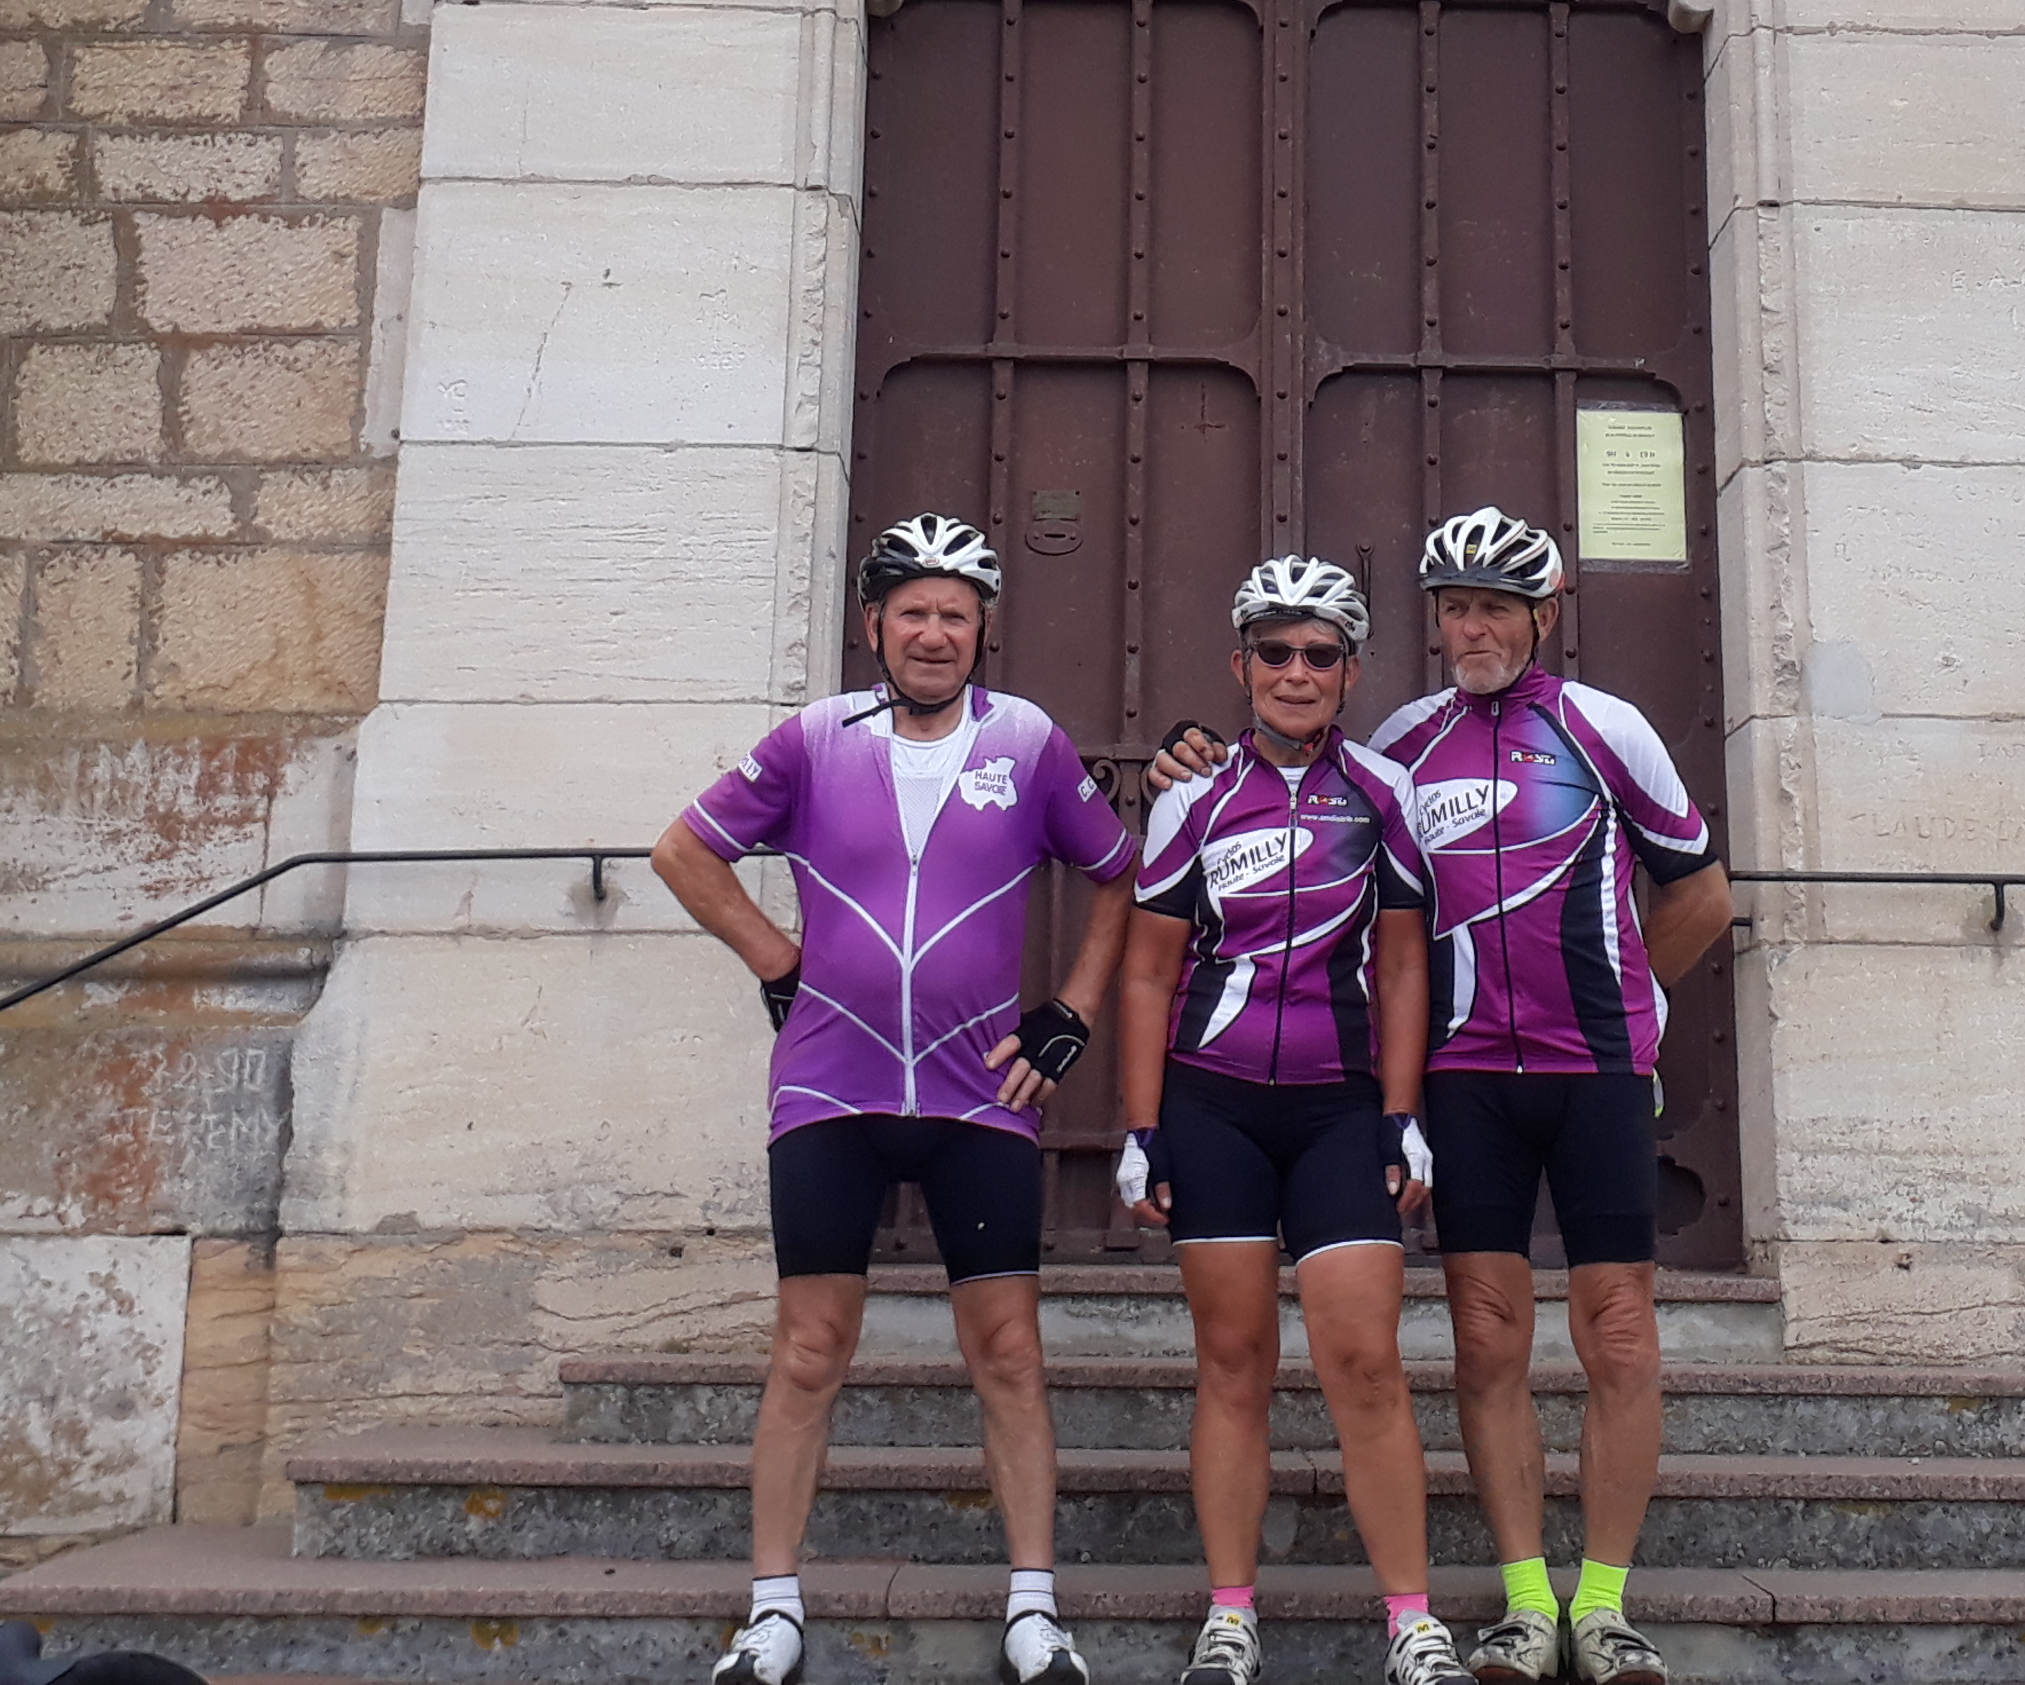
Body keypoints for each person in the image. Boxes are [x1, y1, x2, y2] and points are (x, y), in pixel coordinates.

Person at [1150, 507, 1731, 1685]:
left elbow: (1702, 894)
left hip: (1594, 1072)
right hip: (1465, 1081)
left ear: (1543, 614)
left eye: (1496, 609)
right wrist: (1188, 755)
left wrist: (1637, 1007)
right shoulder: (1405, 742)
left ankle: (1603, 1608)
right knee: (1486, 1334)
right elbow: (1302, 779)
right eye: (1455, 609)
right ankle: (1523, 1605)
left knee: (1619, 1331)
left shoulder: (1605, 727)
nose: (1473, 629)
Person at [654, 514, 1138, 1685]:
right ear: (875, 624)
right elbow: (683, 852)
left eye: (954, 615)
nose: (933, 632)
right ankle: (773, 1611)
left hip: (979, 1095)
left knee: (1008, 1352)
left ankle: (1034, 1610)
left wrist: (1072, 1014)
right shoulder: (816, 739)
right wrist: (776, 960)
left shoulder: (1024, 741)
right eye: (913, 611)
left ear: (981, 630)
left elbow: (1120, 873)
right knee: (809, 1349)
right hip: (833, 1086)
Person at [1116, 558, 1464, 1685]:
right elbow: (1146, 972)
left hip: (1338, 1108)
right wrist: (1140, 1128)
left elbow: (1404, 965)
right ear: (1242, 666)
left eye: (1321, 654)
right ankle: (1230, 1615)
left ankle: (1412, 1621)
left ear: (1352, 672)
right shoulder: (1193, 798)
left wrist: (1402, 1114)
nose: (1297, 672)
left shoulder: (1385, 793)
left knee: (1364, 1361)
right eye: (1277, 652)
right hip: (1212, 1104)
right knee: (1233, 1362)